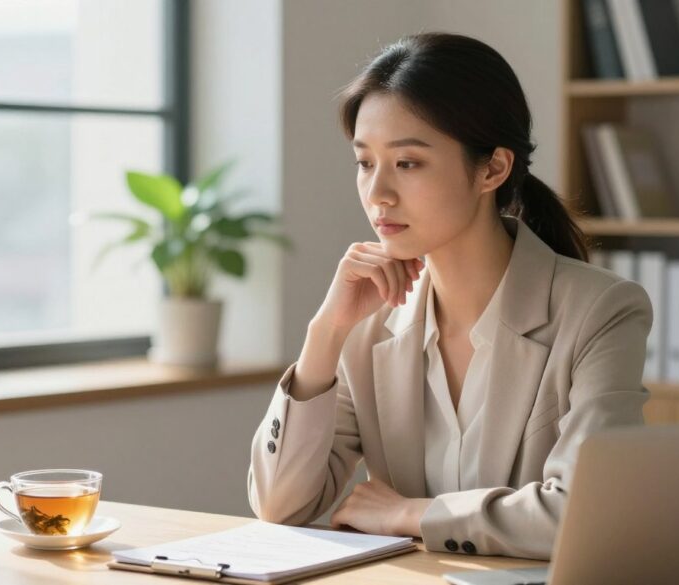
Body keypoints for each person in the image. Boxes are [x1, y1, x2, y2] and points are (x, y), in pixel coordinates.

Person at [247, 32, 653, 560]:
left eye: (408, 163)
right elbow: (280, 506)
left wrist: (409, 513)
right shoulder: (366, 324)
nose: (378, 195)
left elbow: (587, 514)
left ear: (493, 169)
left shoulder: (601, 311)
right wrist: (325, 332)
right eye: (365, 163)